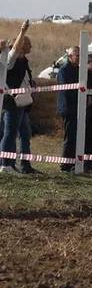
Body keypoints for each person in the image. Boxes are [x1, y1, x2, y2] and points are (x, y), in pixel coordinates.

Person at [1, 20, 37, 174]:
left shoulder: (23, 60)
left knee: (24, 134)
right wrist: (23, 31)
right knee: (9, 133)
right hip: (12, 101)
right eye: (26, 43)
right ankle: (6, 164)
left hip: (22, 102)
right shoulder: (9, 58)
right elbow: (15, 49)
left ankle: (22, 165)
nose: (30, 46)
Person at [56, 46, 81, 172]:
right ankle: (65, 164)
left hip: (78, 107)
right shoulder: (64, 70)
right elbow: (66, 90)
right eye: (77, 56)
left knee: (76, 137)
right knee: (69, 137)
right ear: (70, 57)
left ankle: (72, 163)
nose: (79, 58)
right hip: (68, 108)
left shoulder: (80, 70)